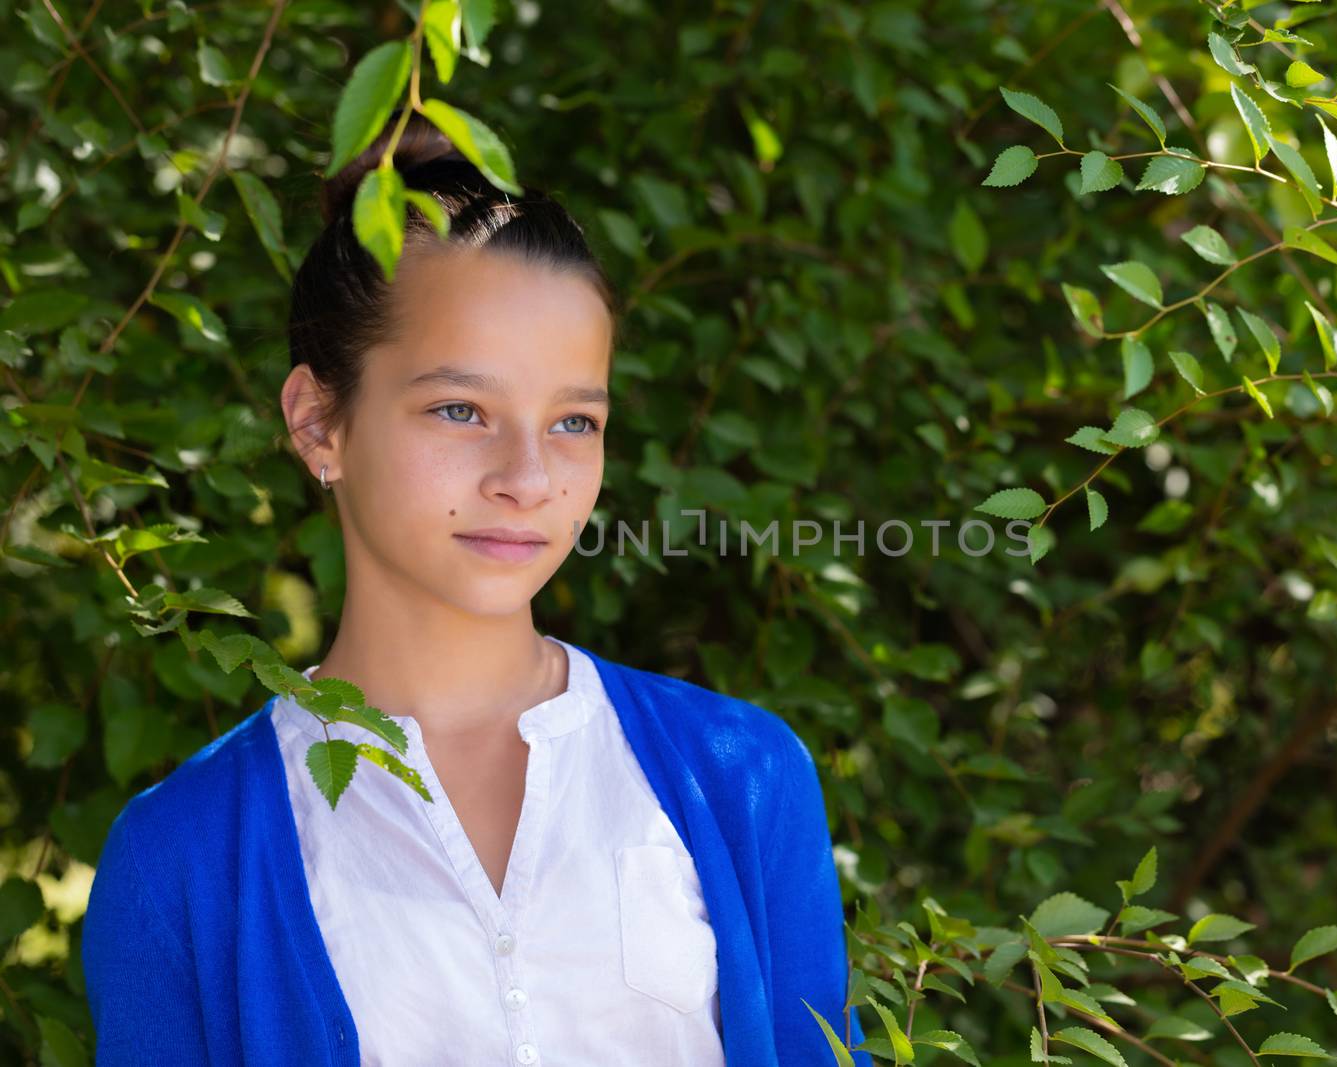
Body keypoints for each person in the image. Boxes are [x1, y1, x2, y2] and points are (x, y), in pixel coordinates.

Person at [80, 107, 870, 1066]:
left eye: (574, 421)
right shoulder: (180, 859)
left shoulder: (744, 776)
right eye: (461, 409)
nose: (528, 478)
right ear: (318, 422)